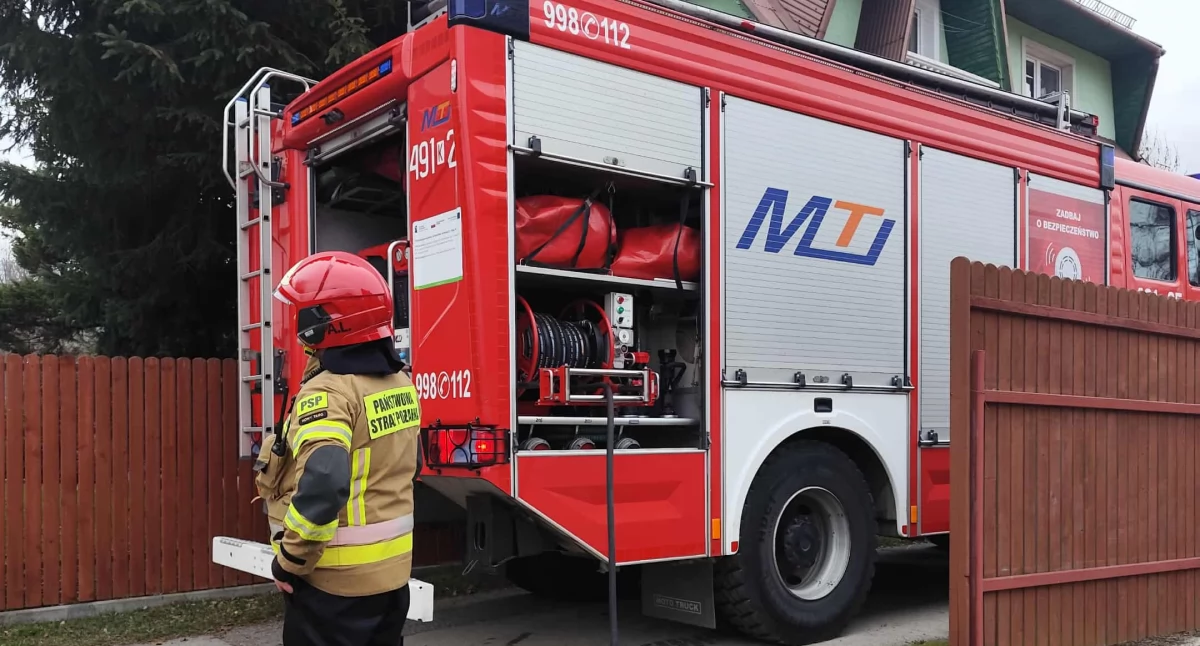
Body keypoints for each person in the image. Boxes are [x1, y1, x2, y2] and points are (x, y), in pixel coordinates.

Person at [253, 250, 421, 646]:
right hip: (391, 580)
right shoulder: (401, 385)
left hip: (335, 587)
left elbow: (325, 481)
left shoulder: (329, 391)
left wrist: (290, 563)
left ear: (324, 323)